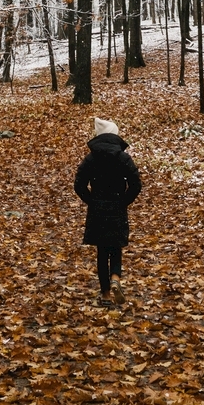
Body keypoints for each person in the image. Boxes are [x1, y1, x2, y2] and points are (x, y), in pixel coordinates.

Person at [74, 117, 142, 306]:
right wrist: (124, 201)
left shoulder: (91, 158)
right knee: (116, 247)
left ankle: (105, 294)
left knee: (102, 251)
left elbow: (79, 184)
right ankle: (115, 278)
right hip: (117, 206)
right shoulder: (123, 157)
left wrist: (92, 201)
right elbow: (136, 183)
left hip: (98, 208)